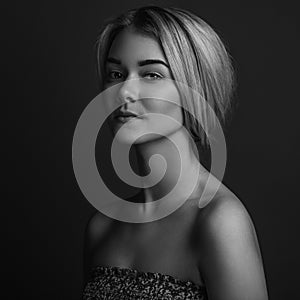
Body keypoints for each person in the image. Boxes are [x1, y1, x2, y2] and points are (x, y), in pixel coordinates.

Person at [82, 5, 269, 300]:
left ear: (194, 89)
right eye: (116, 74)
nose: (124, 91)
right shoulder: (102, 227)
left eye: (151, 74)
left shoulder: (219, 221)